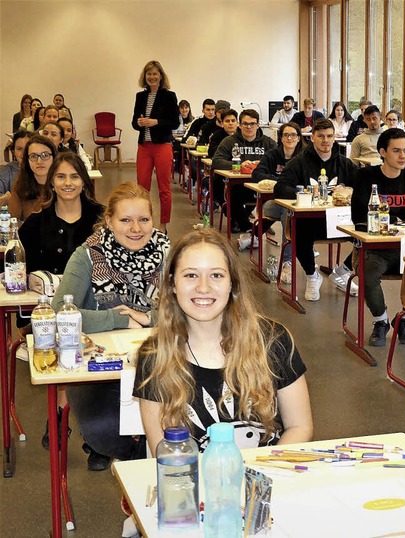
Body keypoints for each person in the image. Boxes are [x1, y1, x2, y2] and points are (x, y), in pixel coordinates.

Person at [135, 228, 313, 453]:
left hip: (268, 478)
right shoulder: (154, 356)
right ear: (172, 284)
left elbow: (300, 426)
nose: (203, 287)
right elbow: (163, 450)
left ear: (233, 284)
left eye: (216, 275)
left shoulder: (273, 340)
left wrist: (257, 475)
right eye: (191, 275)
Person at [52, 182, 170, 471]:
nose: (136, 228)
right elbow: (58, 313)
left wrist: (147, 318)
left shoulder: (168, 253)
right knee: (102, 427)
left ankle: (146, 466)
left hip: (161, 360)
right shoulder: (87, 255)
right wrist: (119, 319)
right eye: (125, 220)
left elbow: (186, 308)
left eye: (144, 219)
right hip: (101, 366)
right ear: (109, 221)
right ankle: (136, 463)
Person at [19, 153, 104, 449]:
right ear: (52, 182)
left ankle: (90, 427)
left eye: (74, 176)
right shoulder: (33, 224)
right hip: (52, 310)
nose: (68, 183)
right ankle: (68, 421)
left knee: (86, 338)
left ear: (84, 180)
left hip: (95, 306)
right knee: (63, 335)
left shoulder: (102, 218)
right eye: (61, 177)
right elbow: (22, 273)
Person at [350, 128, 405, 346]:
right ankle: (381, 320)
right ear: (382, 152)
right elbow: (358, 216)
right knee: (367, 274)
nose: (403, 156)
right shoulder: (366, 177)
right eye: (396, 151)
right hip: (376, 249)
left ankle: (404, 317)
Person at [274, 118, 359, 300]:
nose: (325, 140)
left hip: (341, 221)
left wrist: (348, 192)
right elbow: (280, 188)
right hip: (310, 221)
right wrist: (305, 192)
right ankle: (312, 275)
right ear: (312, 138)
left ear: (334, 137)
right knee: (298, 232)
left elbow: (362, 188)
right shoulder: (298, 162)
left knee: (368, 233)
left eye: (329, 136)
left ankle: (342, 271)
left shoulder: (345, 163)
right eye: (320, 136)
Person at [247, 122, 304, 279]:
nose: (289, 138)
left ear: (299, 138)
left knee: (293, 212)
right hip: (272, 203)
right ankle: (287, 262)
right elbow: (257, 174)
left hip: (303, 203)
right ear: (281, 137)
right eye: (286, 135)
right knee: (288, 211)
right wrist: (281, 182)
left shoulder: (305, 157)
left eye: (293, 135)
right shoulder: (272, 155)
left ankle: (304, 245)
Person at [132, 60, 179, 233]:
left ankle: (163, 226)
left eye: (155, 74)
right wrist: (139, 123)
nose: (151, 77)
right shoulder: (140, 96)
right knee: (141, 188)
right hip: (144, 146)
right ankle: (144, 221)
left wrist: (155, 122)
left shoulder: (169, 96)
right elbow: (134, 123)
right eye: (149, 74)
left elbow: (174, 122)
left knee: (164, 189)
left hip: (162, 146)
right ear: (145, 77)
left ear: (161, 76)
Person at [212, 109, 277, 233]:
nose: (249, 127)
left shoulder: (268, 143)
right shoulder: (229, 141)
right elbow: (216, 161)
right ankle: (247, 227)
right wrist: (238, 165)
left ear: (258, 125)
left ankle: (260, 228)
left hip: (263, 185)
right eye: (245, 124)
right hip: (239, 186)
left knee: (279, 199)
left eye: (252, 124)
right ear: (240, 125)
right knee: (233, 195)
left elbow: (280, 161)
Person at [8, 134, 57, 221]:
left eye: (45, 155)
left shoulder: (62, 183)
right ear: (27, 160)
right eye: (33, 156)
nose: (39, 161)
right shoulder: (21, 183)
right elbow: (13, 220)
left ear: (54, 157)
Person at [0, 130, 29, 207]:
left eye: (27, 148)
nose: (24, 153)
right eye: (19, 149)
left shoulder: (43, 170)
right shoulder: (7, 171)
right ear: (13, 151)